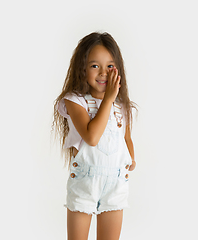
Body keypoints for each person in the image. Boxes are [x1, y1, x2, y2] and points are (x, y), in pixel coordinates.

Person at [52, 32, 137, 240]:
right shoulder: (75, 101)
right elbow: (92, 137)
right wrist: (108, 100)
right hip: (85, 182)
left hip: (116, 182)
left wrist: (131, 159)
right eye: (94, 66)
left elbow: (126, 137)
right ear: (82, 68)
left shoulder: (121, 106)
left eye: (109, 66)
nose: (103, 73)